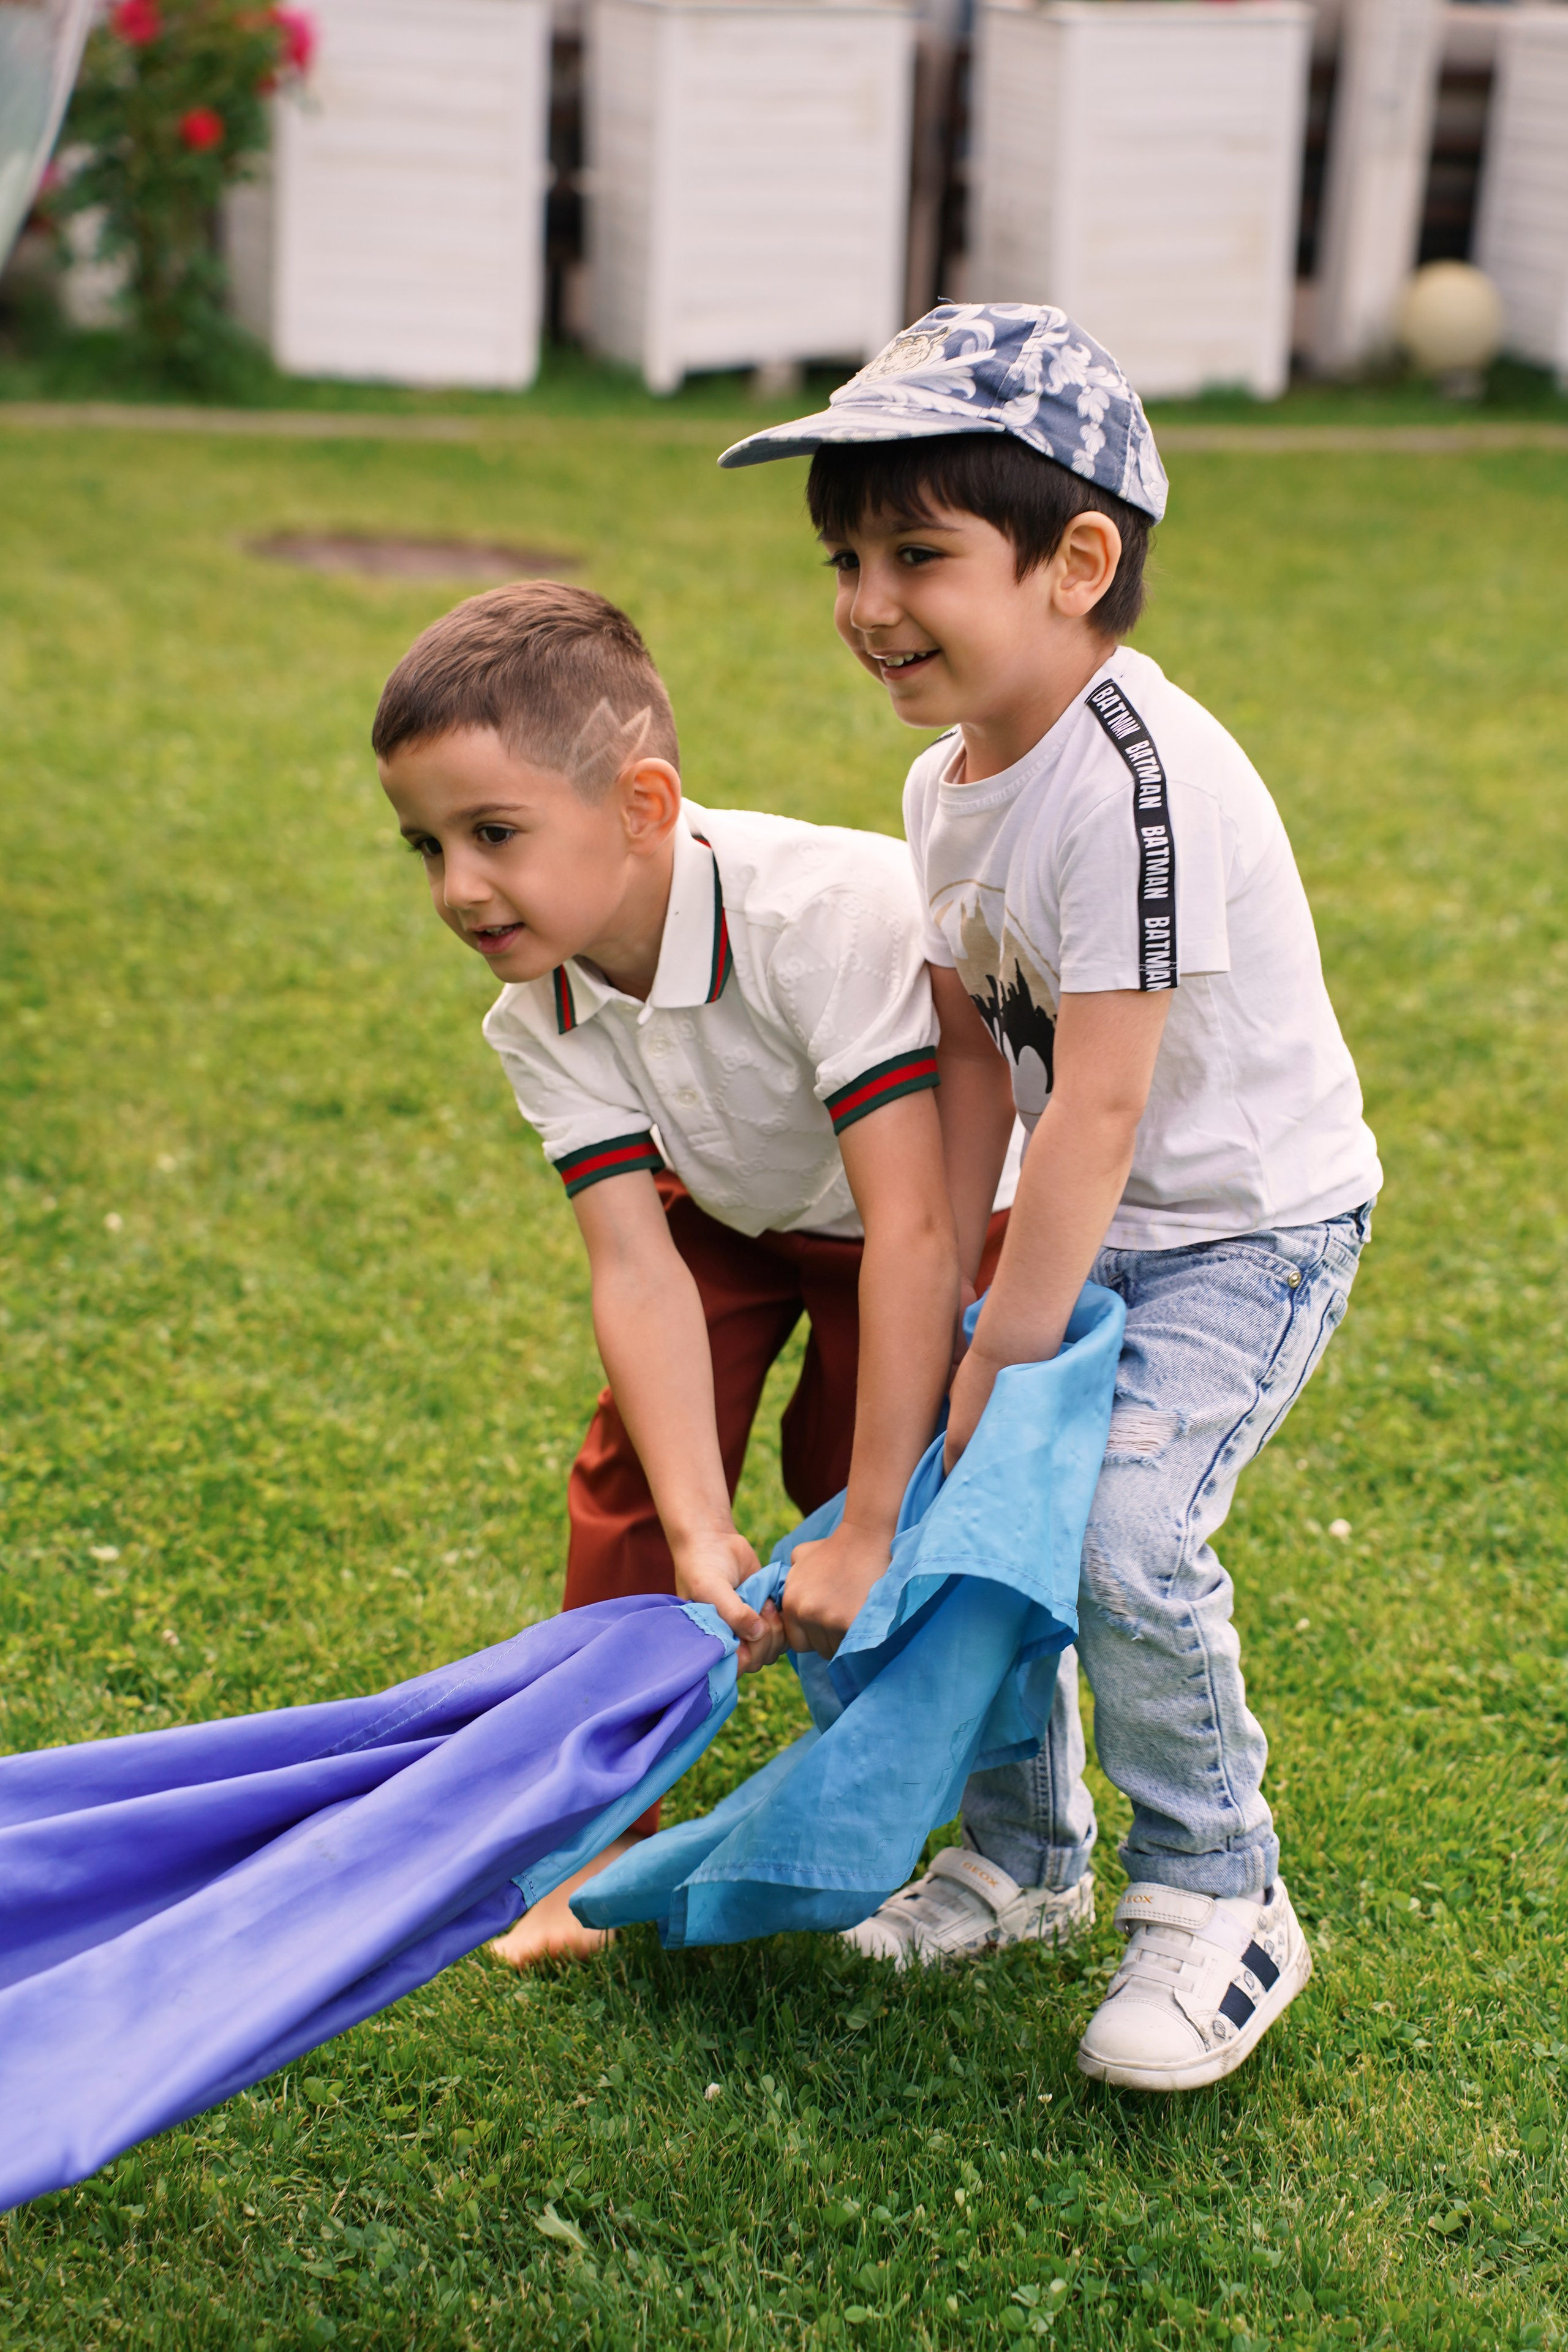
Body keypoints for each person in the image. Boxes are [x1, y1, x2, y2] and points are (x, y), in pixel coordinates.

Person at [719, 303, 1382, 2091]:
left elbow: (1097, 1106)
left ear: (1078, 560)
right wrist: (927, 1317)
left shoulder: (1135, 783)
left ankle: (1223, 1895)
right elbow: (959, 1072)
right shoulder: (944, 788)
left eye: (917, 554)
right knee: (963, 1497)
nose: (867, 601)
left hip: (1248, 1229)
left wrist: (1003, 1350)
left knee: (1113, 1534)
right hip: (1077, 1220)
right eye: (846, 556)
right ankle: (1022, 1856)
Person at [372, 581, 1017, 1967]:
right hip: (732, 1201)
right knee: (629, 1483)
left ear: (644, 807)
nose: (457, 888)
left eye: (494, 835)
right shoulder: (532, 1004)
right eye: (424, 845)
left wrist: (865, 1517)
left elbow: (915, 1226)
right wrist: (684, 1524)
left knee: (866, 1494)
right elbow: (634, 1264)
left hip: (929, 1221)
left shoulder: (822, 913)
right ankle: (590, 1832)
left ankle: (985, 1821)